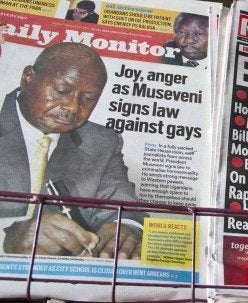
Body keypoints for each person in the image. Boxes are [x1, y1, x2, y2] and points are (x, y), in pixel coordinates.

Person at [0, 42, 145, 258]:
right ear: (27, 77)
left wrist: (124, 227)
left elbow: (123, 206)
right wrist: (7, 236)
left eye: (88, 98)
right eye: (62, 91)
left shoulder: (102, 142)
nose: (73, 108)